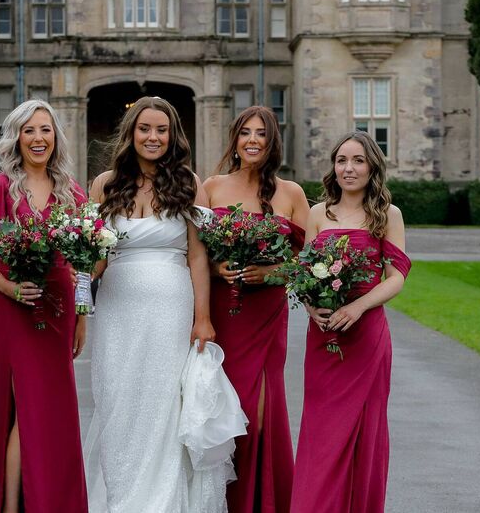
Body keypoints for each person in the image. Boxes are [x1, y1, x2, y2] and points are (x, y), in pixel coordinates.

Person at [84, 96, 217, 512]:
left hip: (171, 309)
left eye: (161, 130)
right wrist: (75, 300)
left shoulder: (188, 183)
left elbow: (197, 256)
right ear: (131, 134)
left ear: (173, 135)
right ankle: (119, 498)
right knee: (119, 399)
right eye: (145, 129)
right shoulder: (105, 184)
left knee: (163, 402)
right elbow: (94, 259)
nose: (153, 137)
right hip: (117, 311)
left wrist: (203, 318)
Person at [0, 99, 88, 512]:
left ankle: (47, 498)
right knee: (22, 410)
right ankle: (11, 505)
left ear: (56, 138)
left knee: (47, 411)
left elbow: (82, 261)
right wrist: (7, 288)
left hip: (58, 310)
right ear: (16, 137)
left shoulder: (73, 193)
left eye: (45, 130)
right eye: (29, 130)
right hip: (12, 311)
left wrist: (82, 315)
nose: (38, 138)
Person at [290, 131, 411, 512]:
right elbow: (303, 271)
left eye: (358, 160)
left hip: (366, 337)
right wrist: (311, 307)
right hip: (323, 337)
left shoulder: (387, 215)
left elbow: (397, 277)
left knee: (363, 430)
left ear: (372, 165)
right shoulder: (317, 213)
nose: (349, 168)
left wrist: (358, 308)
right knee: (322, 431)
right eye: (342, 160)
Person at [202, 105, 309, 513]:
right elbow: (191, 252)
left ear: (271, 142)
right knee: (218, 412)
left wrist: (269, 272)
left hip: (266, 315)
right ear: (235, 139)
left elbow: (305, 263)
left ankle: (260, 502)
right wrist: (216, 266)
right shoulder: (210, 187)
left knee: (258, 414)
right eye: (245, 132)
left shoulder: (291, 193)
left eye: (260, 134)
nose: (252, 140)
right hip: (220, 312)